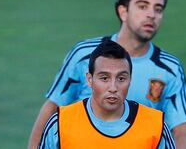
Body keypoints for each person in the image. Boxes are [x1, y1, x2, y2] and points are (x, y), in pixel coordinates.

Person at [29, 0, 186, 149]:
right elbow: (53, 106)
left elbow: (181, 130)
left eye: (158, 9)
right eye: (142, 6)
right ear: (123, 11)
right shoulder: (83, 54)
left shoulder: (170, 69)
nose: (151, 15)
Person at [38, 40, 176, 148]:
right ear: (90, 80)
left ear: (130, 80)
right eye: (104, 78)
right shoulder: (60, 124)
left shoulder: (155, 126)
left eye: (121, 79)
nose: (113, 87)